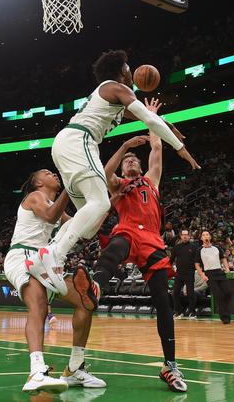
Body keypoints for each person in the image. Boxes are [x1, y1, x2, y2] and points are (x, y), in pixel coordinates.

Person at [40, 50, 200, 296]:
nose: (132, 71)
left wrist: (171, 126)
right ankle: (55, 255)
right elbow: (149, 120)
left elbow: (148, 119)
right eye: (129, 67)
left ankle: (46, 254)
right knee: (100, 202)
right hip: (80, 140)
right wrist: (181, 148)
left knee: (90, 224)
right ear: (122, 70)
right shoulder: (115, 87)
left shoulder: (112, 95)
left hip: (66, 145)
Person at [89, 104, 188, 393]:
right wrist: (124, 146)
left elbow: (157, 144)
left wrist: (150, 118)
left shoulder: (151, 181)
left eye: (134, 160)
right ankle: (95, 286)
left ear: (141, 167)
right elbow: (104, 171)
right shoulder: (118, 185)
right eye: (127, 162)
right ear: (123, 170)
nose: (131, 162)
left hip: (153, 242)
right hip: (129, 232)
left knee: (164, 303)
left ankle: (169, 366)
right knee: (116, 244)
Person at [3, 168, 106, 394]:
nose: (54, 175)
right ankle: (36, 372)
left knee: (85, 302)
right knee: (38, 304)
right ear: (37, 182)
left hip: (45, 260)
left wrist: (107, 201)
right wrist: (69, 189)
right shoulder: (35, 197)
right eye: (48, 173)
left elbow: (83, 230)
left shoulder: (55, 207)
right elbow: (49, 215)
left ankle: (75, 368)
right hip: (22, 256)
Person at [195, 231, 232, 324]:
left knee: (228, 292)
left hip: (219, 272)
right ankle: (225, 317)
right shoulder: (199, 250)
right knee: (218, 296)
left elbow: (223, 259)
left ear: (210, 237)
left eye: (207, 234)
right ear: (201, 239)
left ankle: (223, 309)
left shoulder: (217, 248)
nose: (205, 236)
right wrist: (202, 275)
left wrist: (227, 268)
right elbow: (197, 265)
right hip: (209, 274)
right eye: (203, 235)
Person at [171, 229, 198, 319]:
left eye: (186, 235)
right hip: (179, 273)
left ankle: (192, 312)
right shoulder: (176, 247)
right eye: (183, 235)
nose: (185, 236)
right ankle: (178, 311)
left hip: (190, 273)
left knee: (190, 293)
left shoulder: (194, 247)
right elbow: (171, 260)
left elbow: (197, 260)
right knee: (175, 292)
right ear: (181, 236)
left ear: (189, 236)